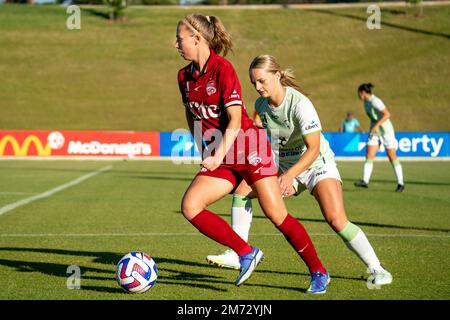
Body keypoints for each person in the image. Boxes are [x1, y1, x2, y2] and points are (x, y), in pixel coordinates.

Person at [206, 55, 393, 287]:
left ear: (277, 75)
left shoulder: (300, 104)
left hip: (317, 165)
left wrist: (290, 175)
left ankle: (377, 268)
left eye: (262, 81)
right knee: (242, 190)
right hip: (284, 166)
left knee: (336, 220)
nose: (258, 87)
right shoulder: (261, 105)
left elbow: (313, 149)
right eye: (253, 82)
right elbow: (267, 139)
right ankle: (239, 253)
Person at [175, 14, 330, 294]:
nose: (176, 44)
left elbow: (235, 120)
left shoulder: (224, 69)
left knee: (276, 214)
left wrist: (216, 154)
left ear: (197, 39)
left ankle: (318, 271)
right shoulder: (183, 77)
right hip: (222, 156)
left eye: (180, 38)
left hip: (249, 148)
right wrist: (201, 144)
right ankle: (246, 253)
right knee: (191, 206)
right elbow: (190, 111)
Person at [354, 83, 405, 192]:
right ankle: (365, 181)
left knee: (392, 156)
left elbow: (387, 114)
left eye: (358, 93)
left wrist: (376, 126)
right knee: (369, 154)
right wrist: (373, 128)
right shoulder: (366, 103)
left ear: (362, 92)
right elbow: (374, 118)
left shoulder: (375, 101)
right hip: (375, 131)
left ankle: (401, 183)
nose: (358, 95)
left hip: (386, 131)